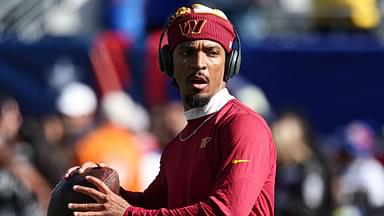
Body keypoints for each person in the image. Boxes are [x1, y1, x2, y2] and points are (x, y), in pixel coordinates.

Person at [64, 3, 277, 215]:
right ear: (168, 63)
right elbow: (151, 206)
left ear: (230, 62)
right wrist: (97, 187)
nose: (199, 63)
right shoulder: (178, 144)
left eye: (211, 52)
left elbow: (227, 211)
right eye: (187, 52)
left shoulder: (244, 126)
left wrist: (128, 213)